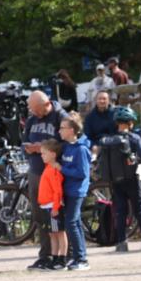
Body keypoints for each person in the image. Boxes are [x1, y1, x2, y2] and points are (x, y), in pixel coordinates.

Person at [98, 107, 141, 253]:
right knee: (139, 210)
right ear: (129, 123)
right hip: (132, 179)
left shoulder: (108, 140)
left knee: (121, 211)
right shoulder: (133, 138)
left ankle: (121, 243)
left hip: (115, 181)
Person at [23, 91, 67, 271]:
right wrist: (28, 149)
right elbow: (24, 141)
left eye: (36, 109)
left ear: (45, 104)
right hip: (36, 172)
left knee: (57, 218)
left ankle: (63, 255)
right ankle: (45, 255)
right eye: (31, 110)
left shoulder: (60, 117)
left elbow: (66, 142)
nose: (33, 113)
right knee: (40, 217)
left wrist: (44, 148)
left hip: (53, 174)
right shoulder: (32, 119)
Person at [59, 114, 92, 270]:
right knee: (75, 223)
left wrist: (62, 169)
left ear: (72, 130)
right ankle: (79, 256)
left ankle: (81, 259)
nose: (60, 131)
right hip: (68, 189)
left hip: (76, 191)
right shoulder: (67, 147)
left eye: (63, 128)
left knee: (71, 222)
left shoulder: (81, 149)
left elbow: (82, 173)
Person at [37, 139, 67, 271]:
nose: (41, 155)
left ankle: (62, 259)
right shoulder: (48, 168)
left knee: (59, 233)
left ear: (53, 154)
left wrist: (55, 207)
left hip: (52, 206)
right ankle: (54, 257)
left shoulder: (54, 170)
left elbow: (58, 191)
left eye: (44, 153)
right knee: (52, 234)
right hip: (46, 206)